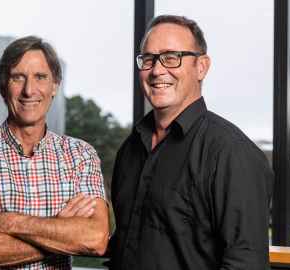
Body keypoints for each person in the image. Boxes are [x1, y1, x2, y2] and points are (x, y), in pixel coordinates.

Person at [110, 15, 274, 270]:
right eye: (149, 59)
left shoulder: (231, 153)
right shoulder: (130, 149)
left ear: (202, 67)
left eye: (171, 57)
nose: (156, 70)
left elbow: (246, 263)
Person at [0, 36, 109, 269]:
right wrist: (58, 230)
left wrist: (10, 221)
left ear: (54, 86)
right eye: (17, 77)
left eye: (40, 77)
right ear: (3, 87)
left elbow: (95, 239)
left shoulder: (81, 155)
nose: (29, 90)